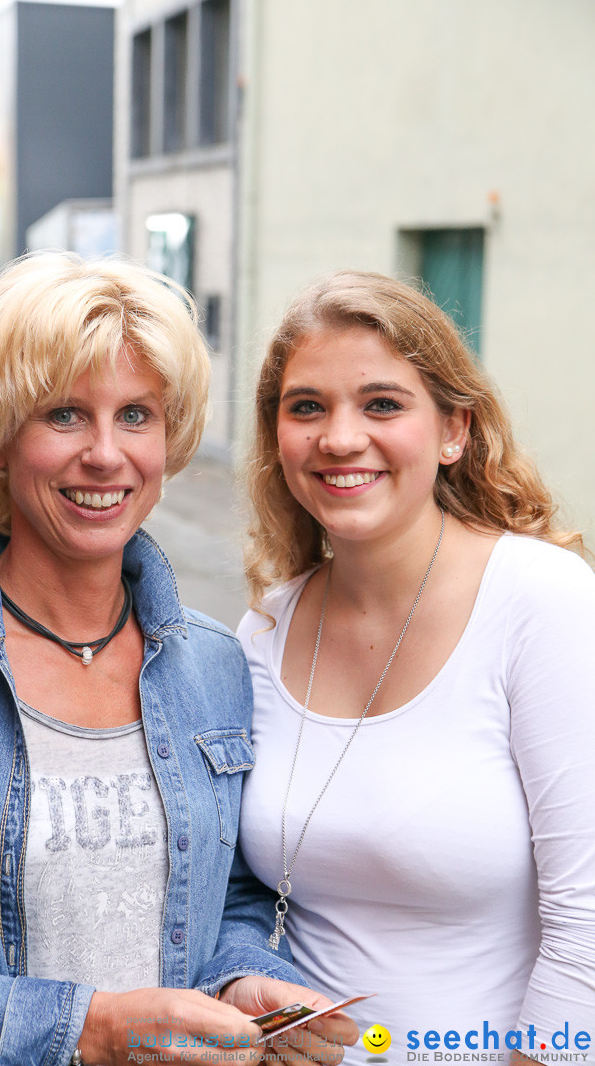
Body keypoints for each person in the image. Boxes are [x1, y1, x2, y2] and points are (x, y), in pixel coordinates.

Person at [0, 253, 357, 1066]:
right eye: (64, 415)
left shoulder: (211, 662)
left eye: (136, 415)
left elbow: (231, 897)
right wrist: (86, 1030)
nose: (106, 455)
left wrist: (245, 979)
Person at [230, 271, 595, 1064]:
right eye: (307, 407)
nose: (339, 437)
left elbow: (589, 928)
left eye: (383, 403)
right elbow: (245, 900)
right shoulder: (264, 629)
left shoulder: (542, 601)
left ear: (454, 429)